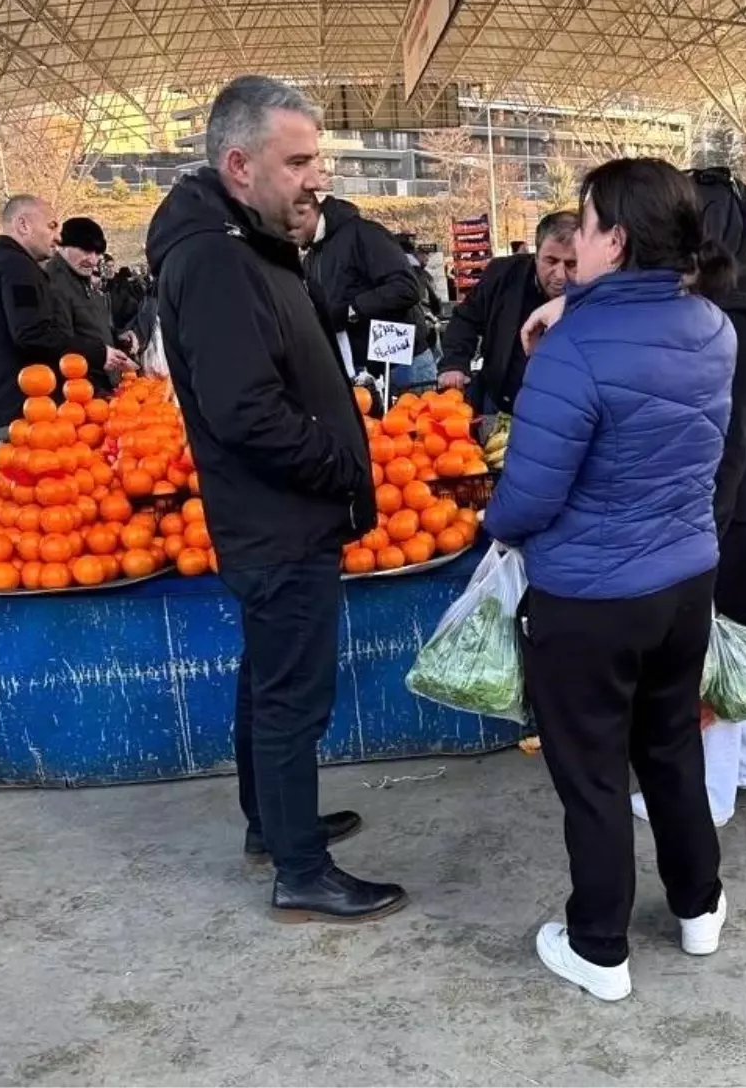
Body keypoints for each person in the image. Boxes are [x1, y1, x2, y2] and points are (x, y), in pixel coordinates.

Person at [147, 74, 404, 925]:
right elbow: (244, 409)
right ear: (238, 164)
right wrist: (338, 465)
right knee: (295, 696)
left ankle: (273, 822)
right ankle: (300, 869)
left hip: (277, 518)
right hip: (279, 518)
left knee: (270, 682)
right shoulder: (218, 259)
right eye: (297, 161)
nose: (314, 177)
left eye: (315, 160)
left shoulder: (241, 243)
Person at [485, 157, 737, 1002]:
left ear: (615, 239)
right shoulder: (713, 328)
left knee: (592, 773)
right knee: (669, 749)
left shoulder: (573, 352)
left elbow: (527, 495)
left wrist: (491, 524)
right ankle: (699, 909)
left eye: (583, 226)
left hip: (588, 598)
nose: (573, 242)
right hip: (684, 583)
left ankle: (599, 947)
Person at [631, 171, 746, 830]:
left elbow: (730, 435)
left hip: (724, 497)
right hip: (740, 491)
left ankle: (705, 796)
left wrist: (700, 533)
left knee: (707, 647)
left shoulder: (733, 313)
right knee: (737, 639)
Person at [0, 196, 127, 435]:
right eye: (52, 226)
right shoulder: (17, 268)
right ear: (23, 225)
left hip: (1, 405)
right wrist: (98, 352)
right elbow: (33, 333)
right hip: (27, 410)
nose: (57, 237)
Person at [437, 211, 578, 412]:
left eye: (571, 264)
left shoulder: (596, 287)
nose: (561, 275)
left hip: (564, 408)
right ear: (535, 255)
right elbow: (466, 317)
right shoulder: (502, 274)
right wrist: (454, 363)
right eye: (551, 261)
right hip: (500, 400)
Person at [302, 196, 436, 389]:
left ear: (306, 212)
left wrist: (352, 309)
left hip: (403, 363)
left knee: (422, 417)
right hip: (360, 370)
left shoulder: (365, 233)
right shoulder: (312, 257)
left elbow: (406, 287)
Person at [45, 219, 135, 394]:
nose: (93, 260)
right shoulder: (55, 284)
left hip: (104, 386)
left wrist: (118, 337)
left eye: (98, 252)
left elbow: (90, 326)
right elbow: (62, 344)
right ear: (63, 247)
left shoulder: (82, 279)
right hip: (83, 393)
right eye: (86, 251)